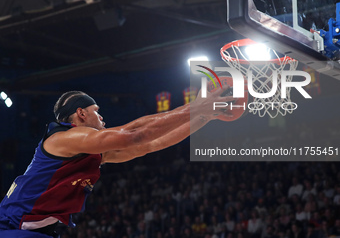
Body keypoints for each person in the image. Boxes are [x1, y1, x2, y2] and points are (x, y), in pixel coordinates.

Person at [0, 88, 233, 238]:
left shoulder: (90, 150)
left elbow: (151, 144)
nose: (102, 117)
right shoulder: (63, 138)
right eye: (96, 111)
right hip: (12, 227)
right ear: (80, 113)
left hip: (36, 230)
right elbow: (134, 134)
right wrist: (196, 107)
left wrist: (204, 116)